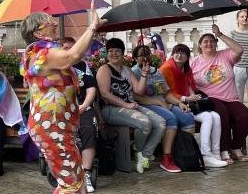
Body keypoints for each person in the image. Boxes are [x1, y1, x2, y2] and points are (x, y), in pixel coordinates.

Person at [19, 9, 101, 194]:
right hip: (52, 128)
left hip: (55, 127)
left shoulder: (41, 54)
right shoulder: (42, 54)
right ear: (37, 31)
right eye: (48, 22)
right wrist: (92, 28)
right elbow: (73, 55)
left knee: (69, 178)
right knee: (74, 183)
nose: (54, 23)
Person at [96, 38, 166, 173]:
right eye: (111, 51)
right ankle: (138, 150)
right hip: (110, 109)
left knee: (161, 123)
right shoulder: (104, 70)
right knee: (144, 122)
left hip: (130, 106)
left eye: (117, 51)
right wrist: (125, 105)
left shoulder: (127, 70)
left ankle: (144, 154)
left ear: (122, 53)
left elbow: (139, 90)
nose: (114, 54)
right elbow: (105, 94)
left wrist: (144, 74)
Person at [190, 27, 248, 163]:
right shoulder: (193, 62)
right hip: (210, 98)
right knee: (222, 114)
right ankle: (223, 150)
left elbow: (239, 50)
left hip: (230, 98)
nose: (209, 44)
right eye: (205, 41)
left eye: (212, 41)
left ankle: (235, 146)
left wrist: (220, 34)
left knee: (246, 116)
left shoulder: (224, 55)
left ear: (216, 44)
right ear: (199, 45)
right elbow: (186, 80)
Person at [160, 44, 228, 168]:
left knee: (216, 116)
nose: (179, 55)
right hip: (174, 103)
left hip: (190, 102)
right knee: (208, 117)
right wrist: (186, 98)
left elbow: (192, 87)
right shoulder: (167, 68)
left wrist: (195, 97)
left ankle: (215, 153)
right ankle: (205, 155)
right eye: (177, 52)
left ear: (187, 57)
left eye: (183, 53)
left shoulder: (186, 68)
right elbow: (167, 92)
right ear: (172, 53)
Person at [131, 44, 196, 173]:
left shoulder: (157, 71)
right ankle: (166, 158)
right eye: (141, 55)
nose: (145, 58)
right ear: (135, 58)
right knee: (171, 118)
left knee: (187, 118)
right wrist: (158, 103)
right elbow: (137, 97)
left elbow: (166, 93)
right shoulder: (133, 72)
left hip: (165, 103)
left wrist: (179, 103)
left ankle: (184, 153)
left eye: (147, 54)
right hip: (147, 105)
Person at [59, 37, 98, 193]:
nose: (69, 51)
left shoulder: (83, 66)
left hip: (83, 109)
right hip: (62, 111)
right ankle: (67, 174)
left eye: (72, 47)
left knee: (89, 130)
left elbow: (91, 89)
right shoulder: (56, 67)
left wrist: (84, 105)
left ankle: (86, 173)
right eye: (65, 48)